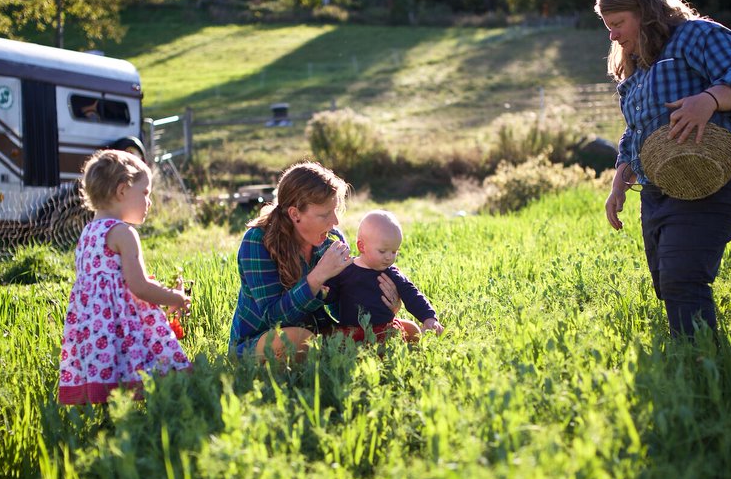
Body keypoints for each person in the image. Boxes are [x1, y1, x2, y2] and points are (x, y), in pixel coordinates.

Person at [596, 0, 731, 338]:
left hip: (713, 181)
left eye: (618, 24)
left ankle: (701, 368)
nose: (612, 36)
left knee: (682, 278)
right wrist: (620, 178)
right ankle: (690, 358)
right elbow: (637, 130)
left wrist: (709, 100)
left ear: (645, 12)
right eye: (607, 27)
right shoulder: (637, 66)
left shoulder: (698, 35)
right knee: (667, 283)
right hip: (660, 192)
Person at [228, 161, 401, 361]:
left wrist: (383, 305)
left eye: (335, 210)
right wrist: (317, 276)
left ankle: (331, 356)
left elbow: (343, 309)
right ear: (295, 214)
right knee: (297, 340)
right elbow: (274, 318)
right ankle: (332, 357)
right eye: (325, 214)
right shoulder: (258, 241)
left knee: (407, 330)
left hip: (318, 333)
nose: (335, 221)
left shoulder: (332, 240)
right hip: (258, 341)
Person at [58, 149, 192, 404]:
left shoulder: (88, 233)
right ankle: (160, 411)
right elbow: (138, 286)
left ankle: (111, 418)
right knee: (153, 366)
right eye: (144, 193)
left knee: (112, 374)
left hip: (96, 328)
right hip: (121, 323)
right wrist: (173, 296)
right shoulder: (123, 233)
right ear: (122, 191)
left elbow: (116, 281)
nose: (149, 202)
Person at [325, 209, 444, 342]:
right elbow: (331, 295)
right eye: (382, 251)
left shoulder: (391, 273)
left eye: (394, 251)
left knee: (405, 333)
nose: (389, 257)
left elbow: (412, 294)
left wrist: (428, 317)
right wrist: (325, 291)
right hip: (351, 331)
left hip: (384, 330)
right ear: (362, 246)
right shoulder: (345, 269)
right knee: (340, 344)